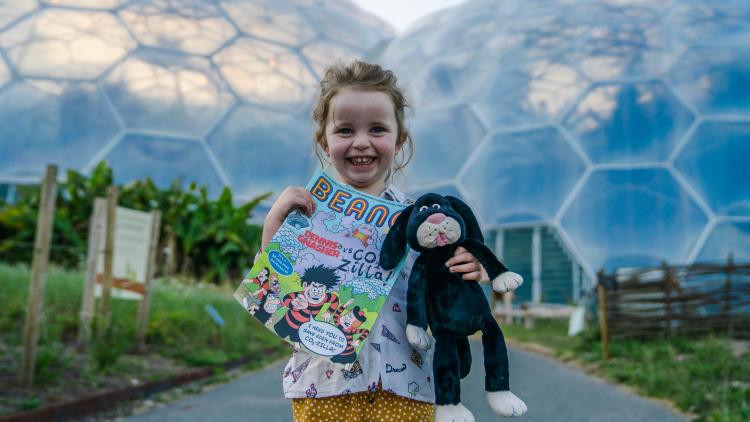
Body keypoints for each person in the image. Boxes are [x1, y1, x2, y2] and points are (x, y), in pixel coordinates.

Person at [259, 60, 490, 422]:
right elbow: (274, 296)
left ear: (400, 139)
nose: (361, 142)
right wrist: (274, 224)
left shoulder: (424, 225)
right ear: (324, 139)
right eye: (346, 130)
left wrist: (470, 268)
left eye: (377, 129)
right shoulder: (306, 214)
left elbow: (444, 296)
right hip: (324, 389)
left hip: (406, 390)